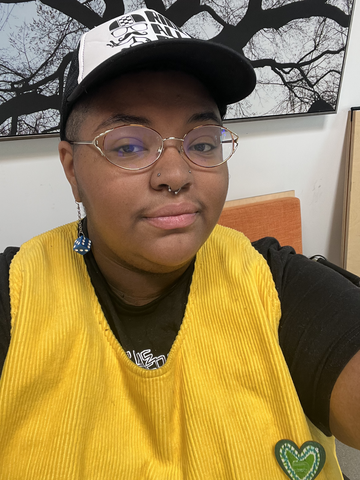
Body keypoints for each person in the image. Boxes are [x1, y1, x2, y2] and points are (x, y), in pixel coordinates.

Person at [0, 8, 359, 479]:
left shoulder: (273, 281)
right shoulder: (16, 295)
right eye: (129, 145)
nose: (176, 174)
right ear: (71, 168)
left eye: (203, 142)